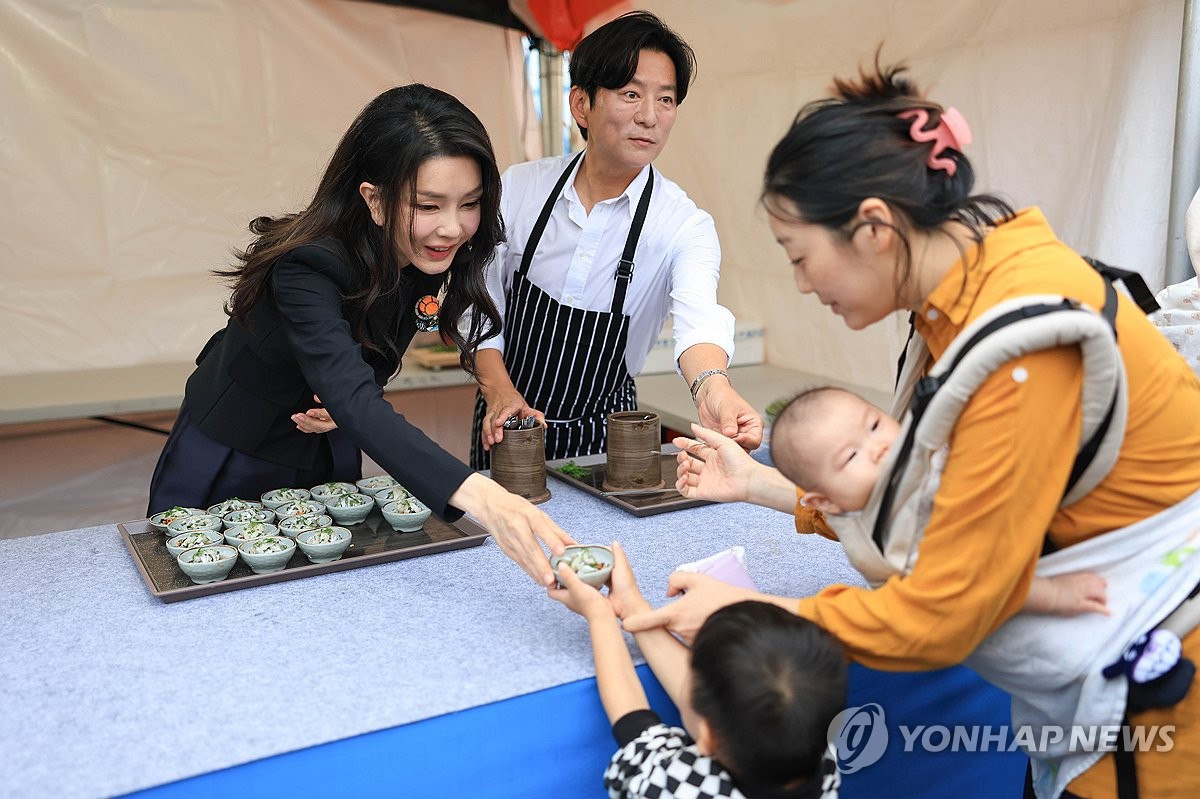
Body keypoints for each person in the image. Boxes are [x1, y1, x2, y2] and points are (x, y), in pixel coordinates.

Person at [623, 61, 1200, 797]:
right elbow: (931, 506)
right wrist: (765, 484)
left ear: (873, 227)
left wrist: (755, 608)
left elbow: (943, 611)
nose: (803, 284)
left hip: (1156, 718)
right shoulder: (975, 291)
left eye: (801, 257)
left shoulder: (1020, 345)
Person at [147, 84, 573, 587]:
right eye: (429, 206)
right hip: (234, 448)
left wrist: (349, 401)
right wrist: (487, 499)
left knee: (333, 591)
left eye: (470, 203)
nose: (453, 229)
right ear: (374, 199)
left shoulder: (425, 256)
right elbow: (352, 391)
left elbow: (359, 374)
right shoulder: (308, 264)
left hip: (330, 445)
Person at [466, 11, 762, 469]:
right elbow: (477, 299)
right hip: (507, 424)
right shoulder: (521, 189)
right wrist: (498, 391)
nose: (650, 117)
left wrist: (714, 388)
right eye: (630, 94)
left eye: (665, 100)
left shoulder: (683, 224)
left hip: (609, 438)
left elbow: (699, 319)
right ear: (581, 104)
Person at [771, 386, 1108, 617]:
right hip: (993, 614)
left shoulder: (911, 456)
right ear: (825, 501)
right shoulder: (890, 544)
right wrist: (1056, 596)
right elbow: (976, 585)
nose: (879, 446)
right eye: (852, 455)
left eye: (874, 424)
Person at [551, 541, 843, 799]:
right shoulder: (821, 756)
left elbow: (632, 719)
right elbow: (722, 694)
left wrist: (599, 615)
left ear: (707, 736)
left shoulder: (679, 785)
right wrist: (632, 608)